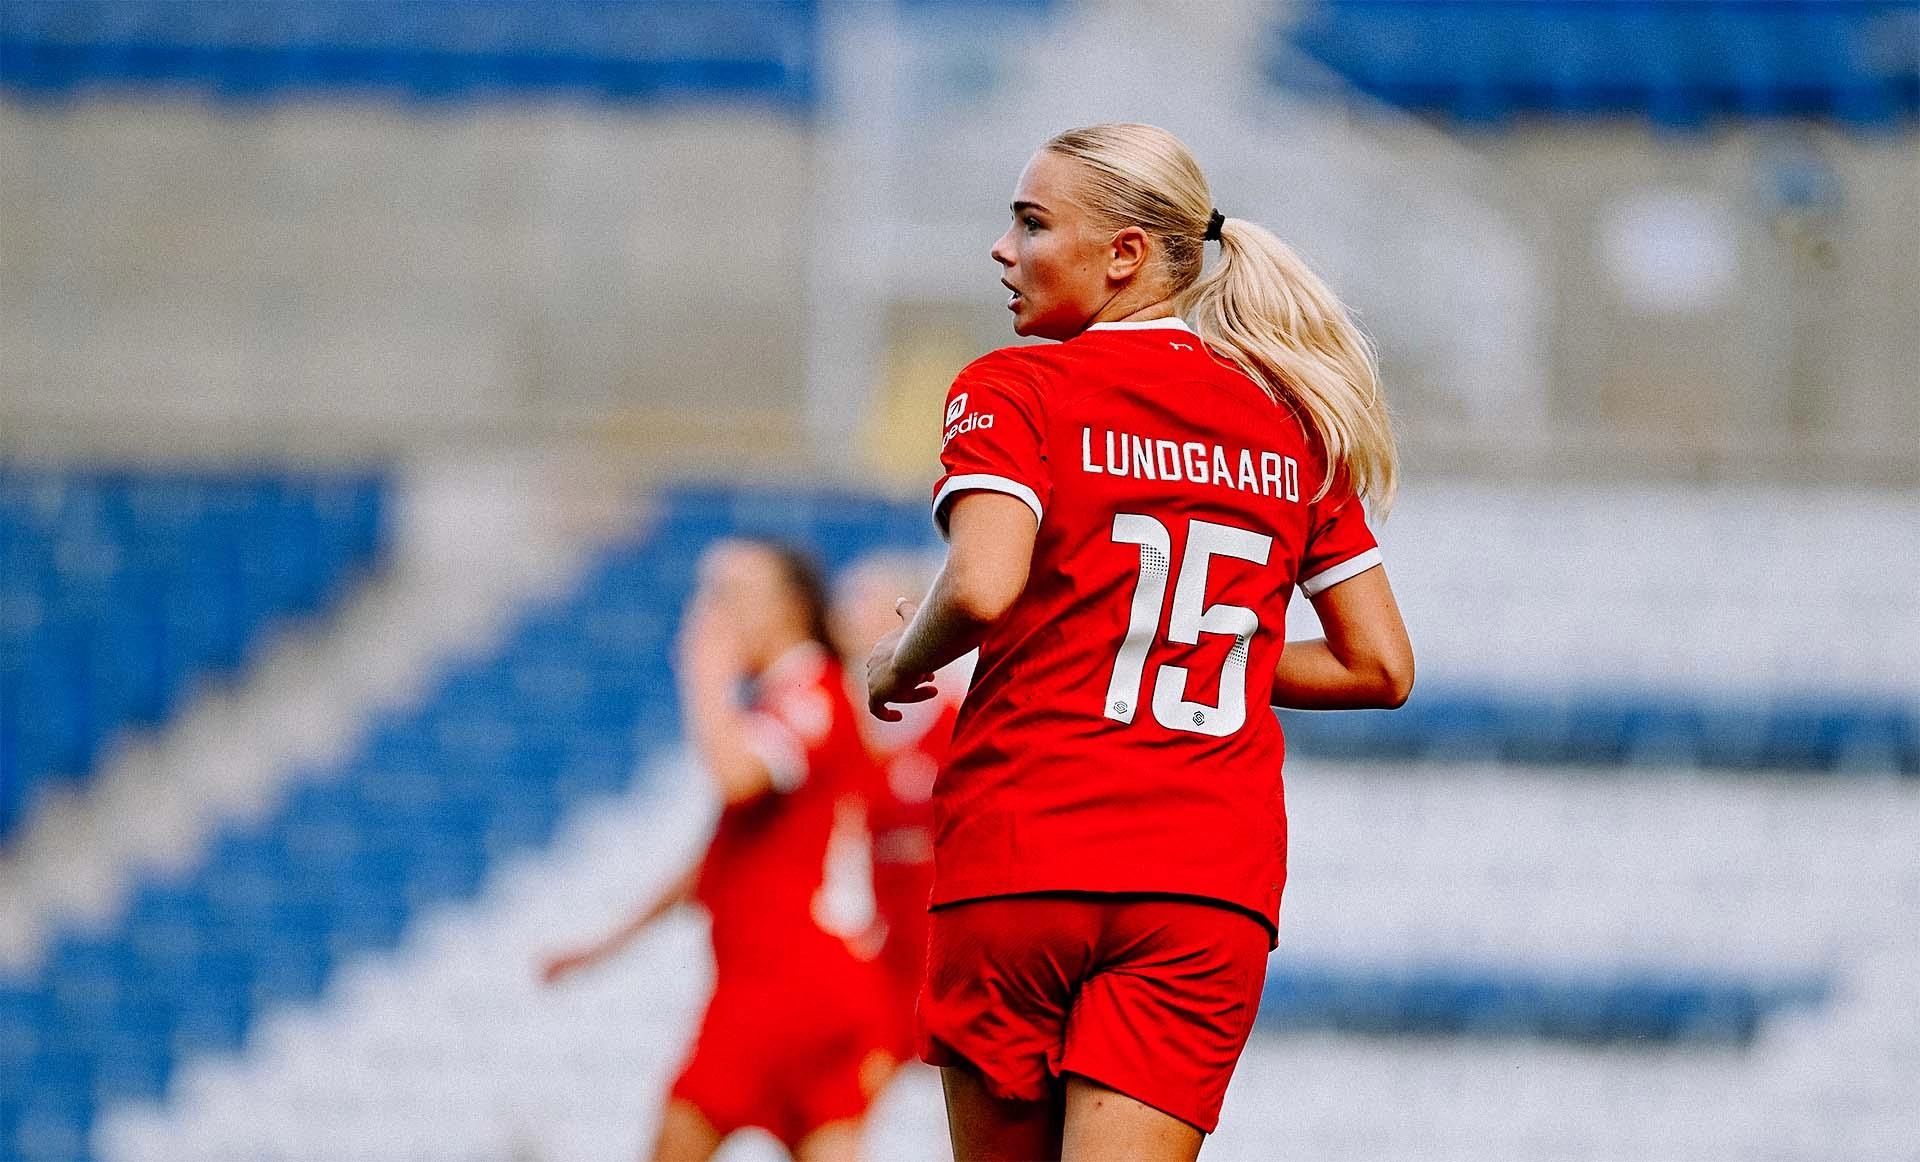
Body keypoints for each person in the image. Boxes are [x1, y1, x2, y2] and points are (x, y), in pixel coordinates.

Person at [865, 123, 1415, 1162]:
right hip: (1203, 880)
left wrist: (902, 659)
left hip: (1022, 855)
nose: (1002, 249)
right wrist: (1214, 650)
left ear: (1123, 254)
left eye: (1030, 223)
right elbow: (1380, 665)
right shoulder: (1290, 417)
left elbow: (983, 585)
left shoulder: (1014, 387)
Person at [541, 539, 893, 1162]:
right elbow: (720, 858)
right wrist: (605, 946)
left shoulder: (809, 693)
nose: (713, 611)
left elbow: (736, 773)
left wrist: (704, 670)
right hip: (818, 987)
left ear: (787, 606)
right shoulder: (798, 698)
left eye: (729, 595)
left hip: (778, 986)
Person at [829, 554, 969, 1068]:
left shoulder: (959, 719)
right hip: (882, 953)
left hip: (950, 948)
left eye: (871, 604)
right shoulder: (839, 728)